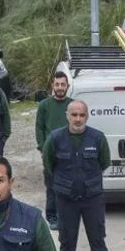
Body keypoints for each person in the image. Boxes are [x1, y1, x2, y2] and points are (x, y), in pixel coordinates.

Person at [42, 100, 117, 251]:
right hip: (66, 199)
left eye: (81, 115)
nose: (77, 119)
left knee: (98, 241)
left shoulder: (97, 138)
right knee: (67, 242)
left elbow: (104, 162)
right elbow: (49, 164)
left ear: (87, 116)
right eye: (74, 115)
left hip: (92, 198)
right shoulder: (55, 138)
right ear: (67, 116)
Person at [35, 72, 73, 230]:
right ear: (52, 85)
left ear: (67, 86)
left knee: (70, 185)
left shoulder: (72, 105)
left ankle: (68, 216)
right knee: (52, 187)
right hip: (50, 154)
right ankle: (52, 216)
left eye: (62, 85)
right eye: (57, 84)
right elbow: (39, 128)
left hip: (69, 154)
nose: (59, 88)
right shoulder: (44, 105)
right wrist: (44, 148)